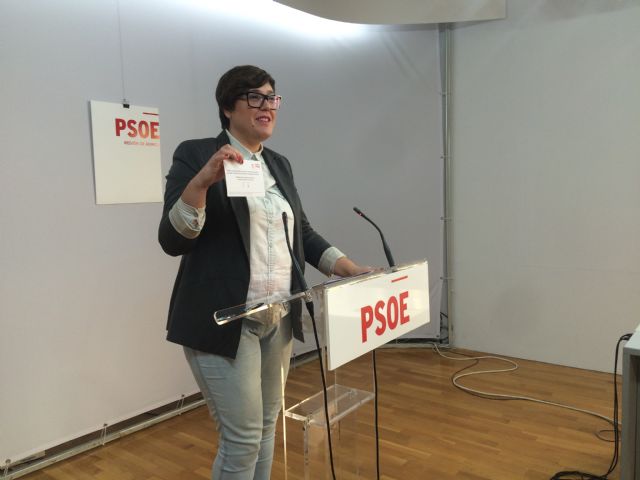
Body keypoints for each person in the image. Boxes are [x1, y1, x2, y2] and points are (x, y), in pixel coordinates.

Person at [158, 65, 369, 480]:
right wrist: (202, 183)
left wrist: (348, 268)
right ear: (227, 107)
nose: (267, 106)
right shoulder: (197, 154)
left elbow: (301, 233)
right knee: (242, 440)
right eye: (254, 97)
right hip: (224, 320)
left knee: (267, 427)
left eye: (272, 98)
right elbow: (172, 239)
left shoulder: (278, 164)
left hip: (278, 317)